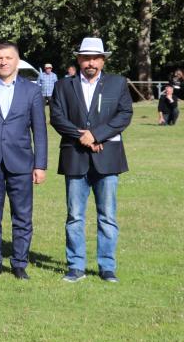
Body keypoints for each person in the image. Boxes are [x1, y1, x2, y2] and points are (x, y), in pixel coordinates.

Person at [50, 37, 133, 283]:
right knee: (75, 216)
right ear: (78, 59)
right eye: (86, 58)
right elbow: (57, 117)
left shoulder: (118, 83)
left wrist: (97, 135)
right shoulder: (63, 85)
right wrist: (83, 137)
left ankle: (107, 267)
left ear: (103, 60)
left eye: (95, 58)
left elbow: (124, 114)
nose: (91, 63)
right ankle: (76, 266)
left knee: (107, 216)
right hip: (75, 157)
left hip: (107, 158)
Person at [0, 42, 47, 281]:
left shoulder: (32, 90)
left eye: (8, 57)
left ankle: (19, 263)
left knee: (22, 216)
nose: (3, 62)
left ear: (17, 61)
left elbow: (40, 131)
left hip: (22, 162)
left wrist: (40, 165)